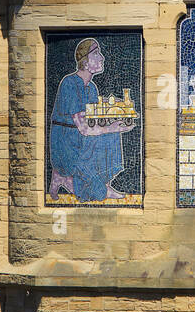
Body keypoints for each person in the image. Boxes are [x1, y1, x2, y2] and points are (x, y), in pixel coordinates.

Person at [49, 38, 134, 201]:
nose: (101, 57)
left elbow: (95, 120)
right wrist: (111, 128)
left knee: (112, 135)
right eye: (96, 53)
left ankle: (103, 183)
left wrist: (115, 123)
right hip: (66, 143)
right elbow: (84, 128)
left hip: (78, 137)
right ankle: (74, 180)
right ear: (85, 61)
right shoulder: (69, 83)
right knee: (109, 133)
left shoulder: (92, 88)